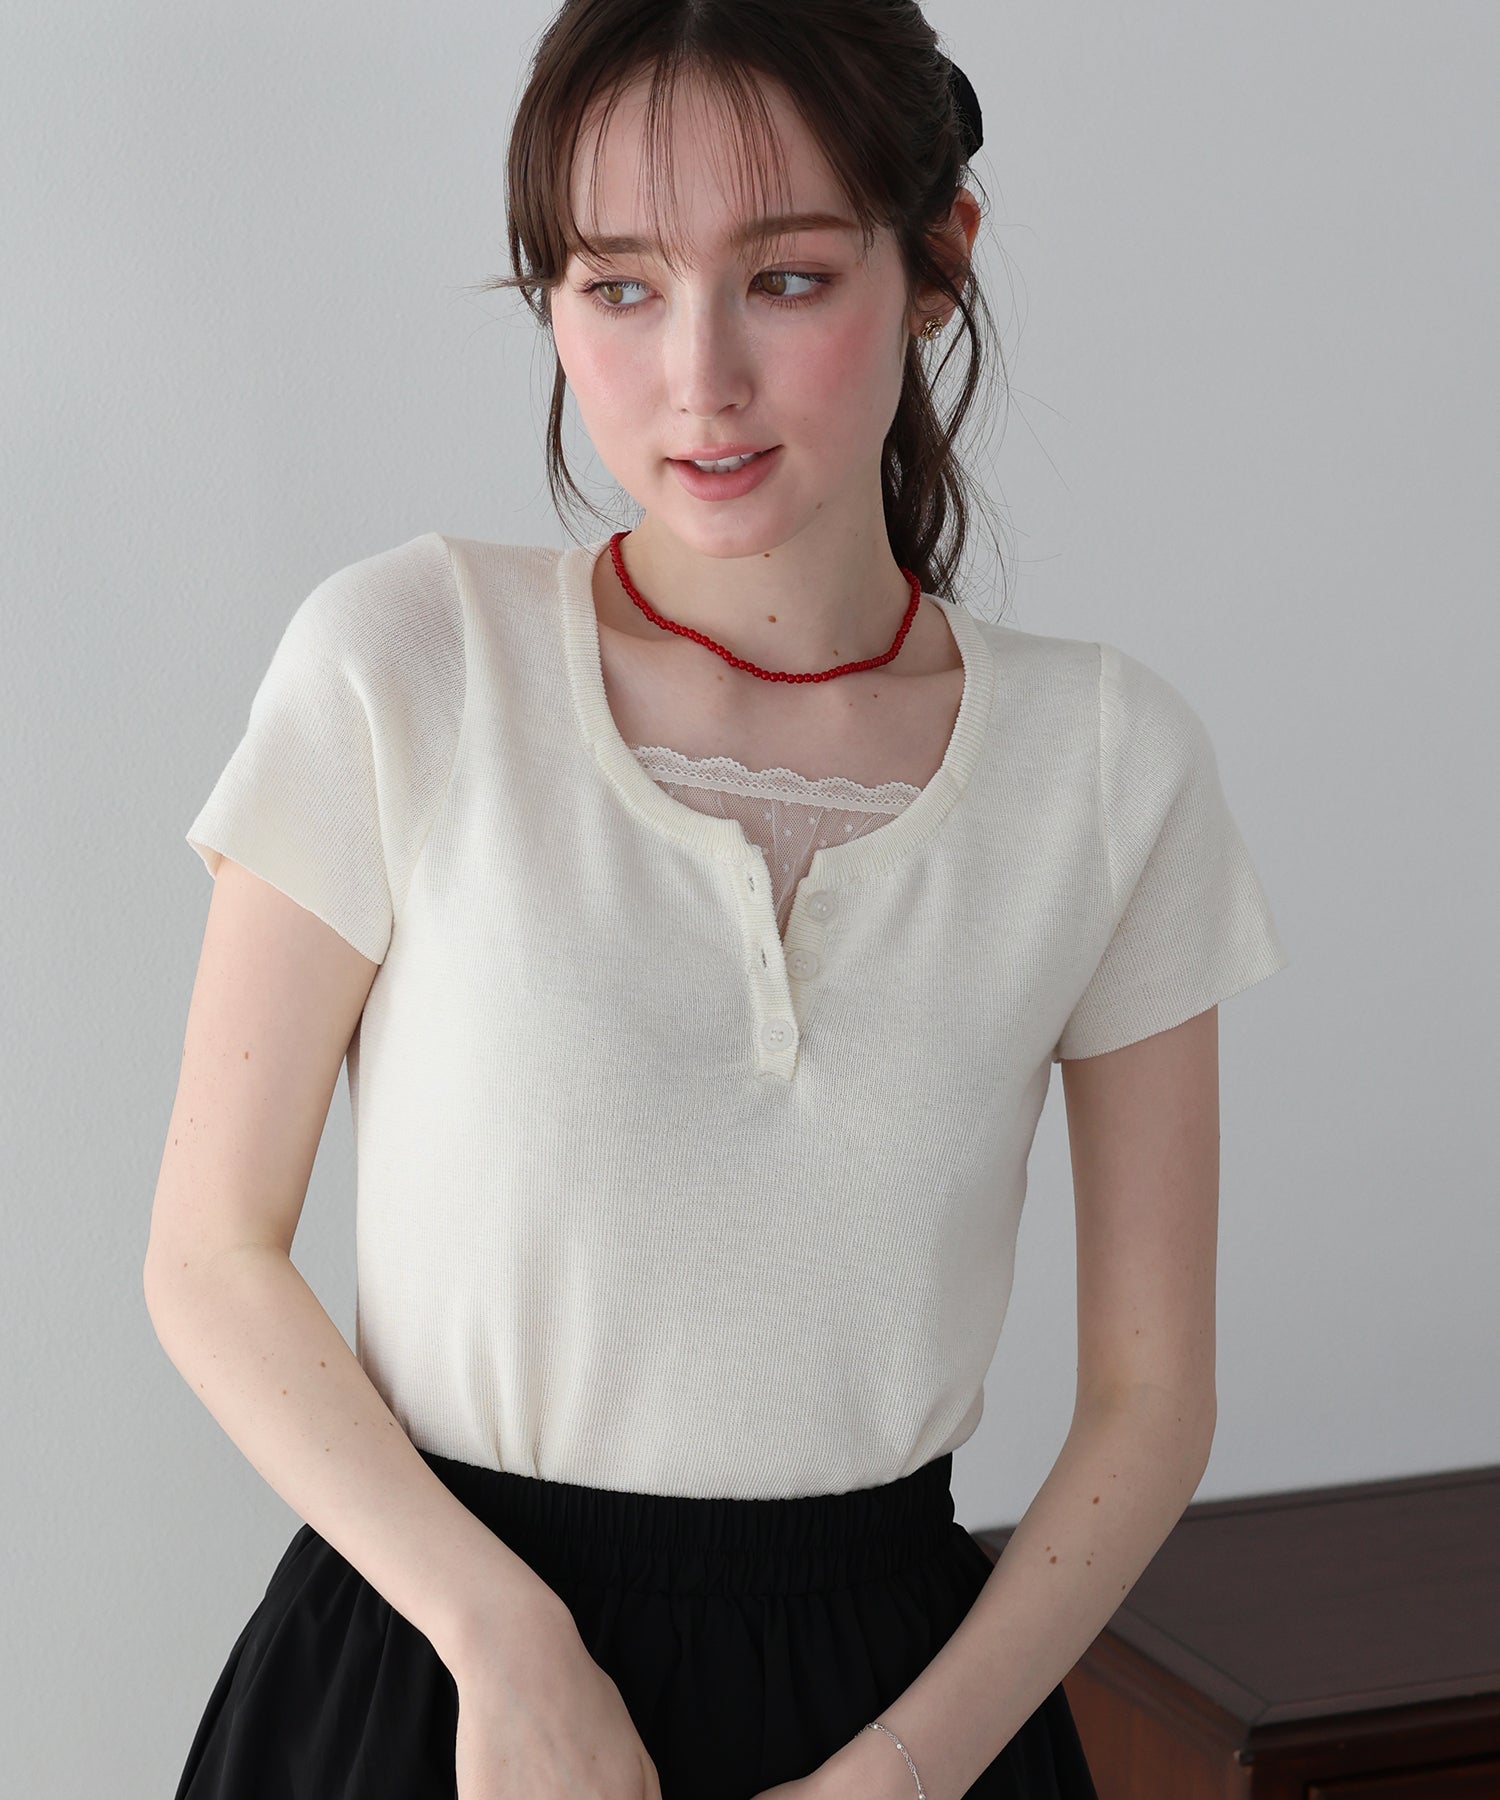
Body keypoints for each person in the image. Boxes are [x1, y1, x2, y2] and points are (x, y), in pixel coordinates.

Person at [144, 2, 1290, 1797]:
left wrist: (905, 1772)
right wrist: (507, 1647)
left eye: (786, 279)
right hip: (442, 1685)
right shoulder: (409, 661)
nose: (698, 377)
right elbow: (210, 1254)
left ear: (937, 260)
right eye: (617, 286)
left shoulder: (1106, 766)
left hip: (903, 1716)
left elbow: (1153, 1399)